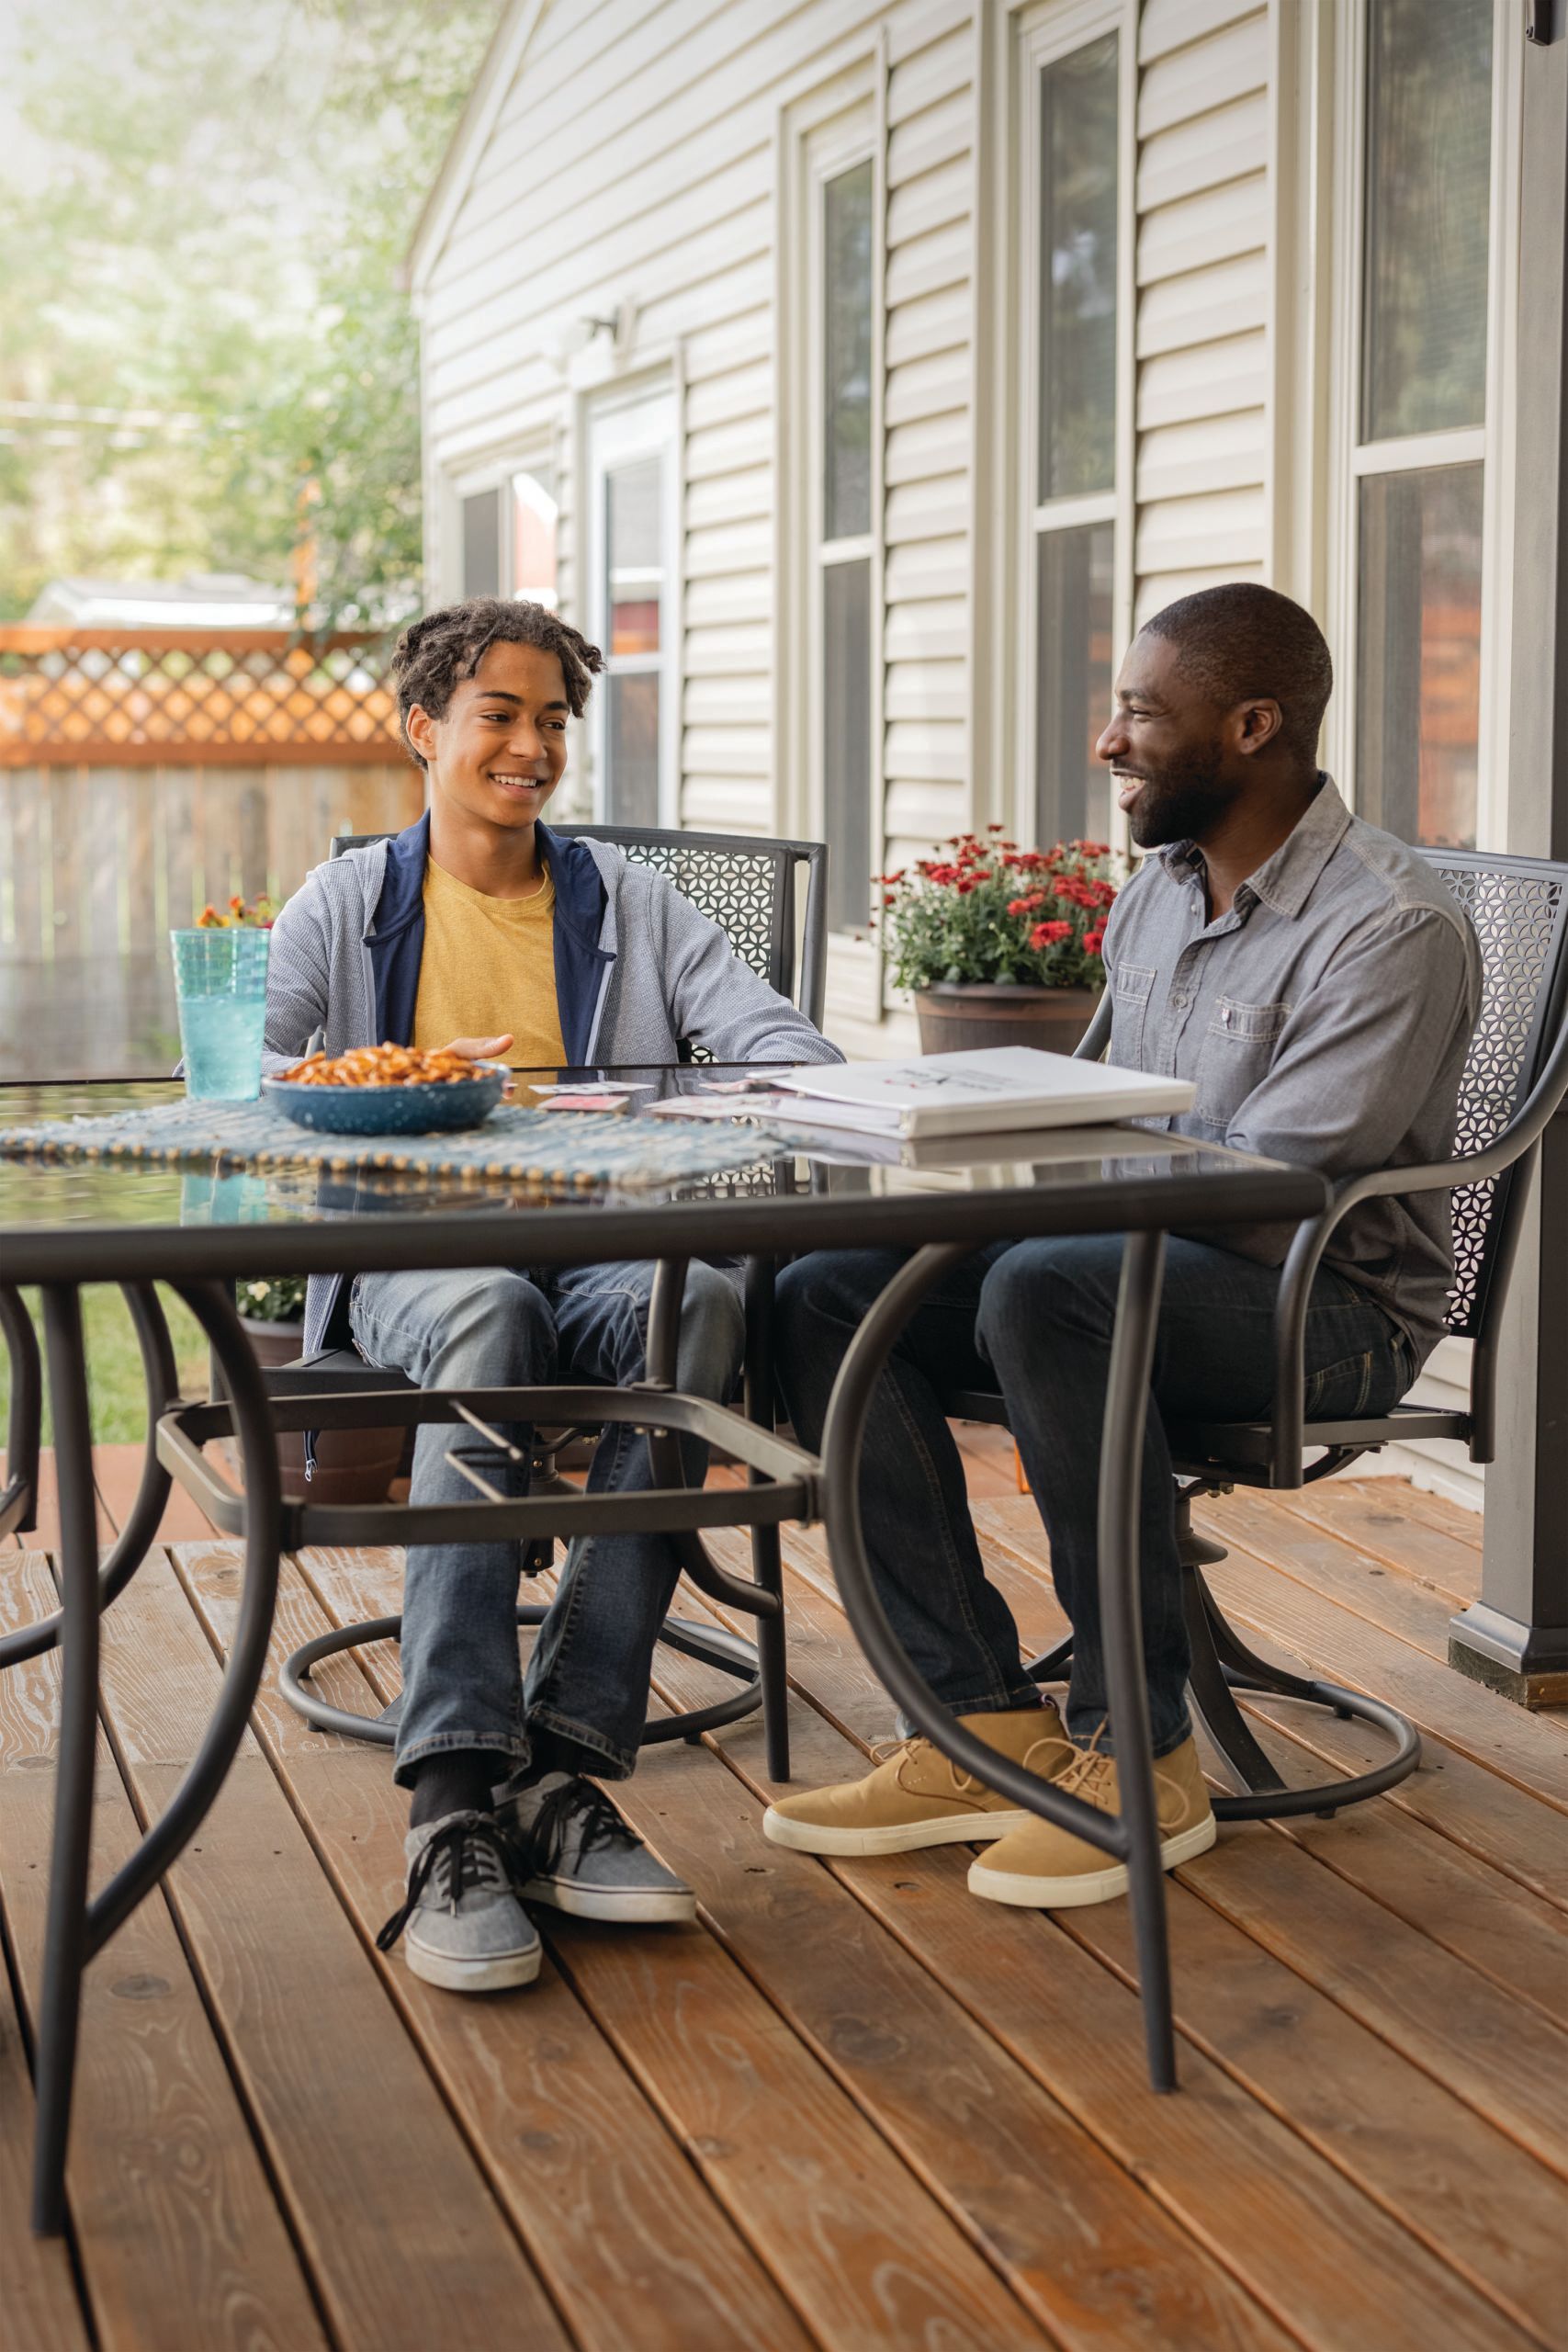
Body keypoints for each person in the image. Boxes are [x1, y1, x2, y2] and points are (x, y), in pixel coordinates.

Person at [765, 582, 1481, 1910]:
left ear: (1254, 725)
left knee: (1051, 1289)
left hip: (1321, 1312)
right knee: (823, 1293)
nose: (1109, 743)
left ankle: (1139, 1752)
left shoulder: (1390, 925)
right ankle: (976, 1724)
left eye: (1141, 713)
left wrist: (1036, 1194)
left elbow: (1273, 1182)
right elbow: (1092, 1112)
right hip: (1131, 1270)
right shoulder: (1155, 894)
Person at [264, 595, 839, 1992]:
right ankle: (453, 1795)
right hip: (409, 1260)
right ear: (425, 731)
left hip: (594, 1243)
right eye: (498, 717)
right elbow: (250, 1096)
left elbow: (787, 1052)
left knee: (693, 1304)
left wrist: (710, 1100)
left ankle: (565, 1766)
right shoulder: (346, 907)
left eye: (552, 721)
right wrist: (389, 1098)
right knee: (487, 1316)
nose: (530, 747)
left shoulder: (626, 906)